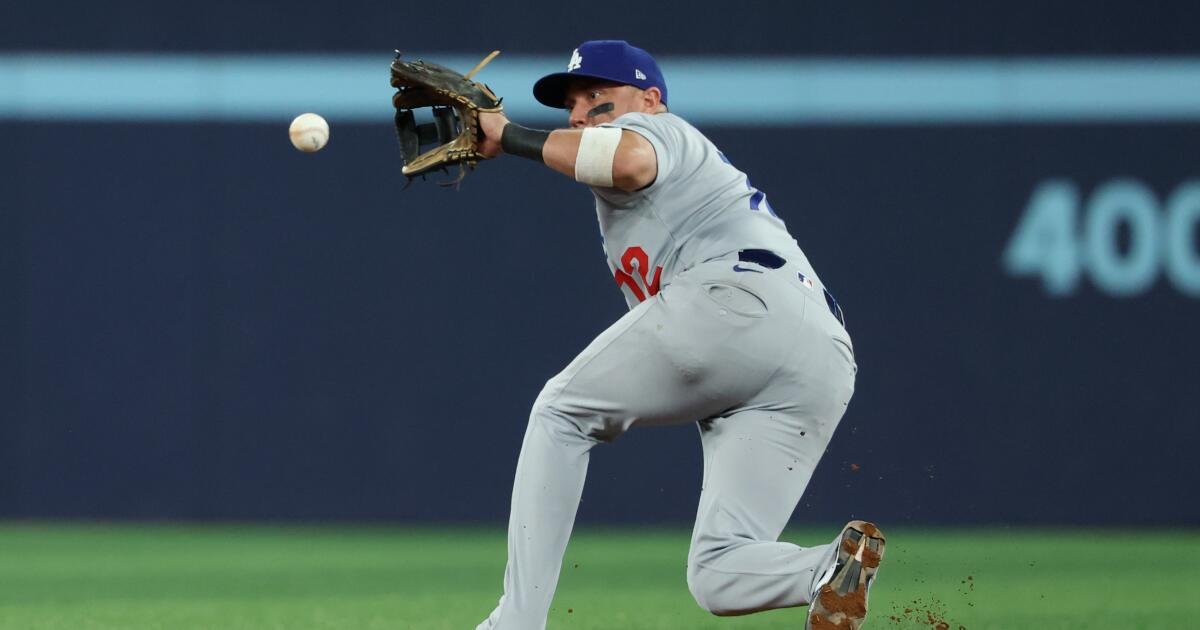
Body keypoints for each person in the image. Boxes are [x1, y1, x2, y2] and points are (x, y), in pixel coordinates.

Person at [473, 40, 885, 630]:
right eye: (572, 103)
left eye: (597, 95)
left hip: (739, 300)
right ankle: (824, 570)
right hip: (819, 355)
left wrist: (508, 135)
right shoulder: (655, 187)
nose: (581, 113)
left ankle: (516, 623)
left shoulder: (660, 130)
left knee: (561, 412)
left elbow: (627, 160)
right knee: (719, 572)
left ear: (650, 98)